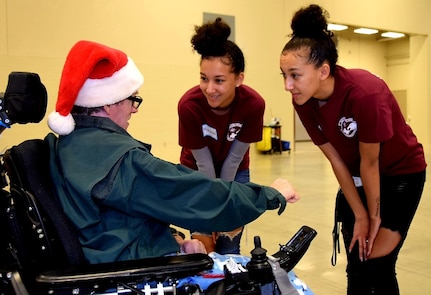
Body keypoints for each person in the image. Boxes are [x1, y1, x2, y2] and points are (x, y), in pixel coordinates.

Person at [45, 40, 299, 264]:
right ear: (110, 103)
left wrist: (173, 240)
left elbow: (122, 214)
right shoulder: (123, 161)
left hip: (110, 248)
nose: (135, 109)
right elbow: (193, 194)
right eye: (133, 99)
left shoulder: (69, 144)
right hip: (124, 263)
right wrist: (269, 194)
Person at [279, 5, 426, 295]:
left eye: (294, 75)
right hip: (359, 174)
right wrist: (358, 214)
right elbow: (336, 159)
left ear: (323, 70)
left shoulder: (365, 95)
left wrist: (372, 218)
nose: (287, 85)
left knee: (377, 263)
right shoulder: (302, 101)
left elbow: (370, 164)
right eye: (283, 74)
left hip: (400, 175)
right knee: (357, 264)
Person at [178, 18, 265, 255]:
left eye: (219, 80)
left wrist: (223, 209)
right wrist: (211, 210)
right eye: (204, 78)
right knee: (202, 250)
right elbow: (203, 163)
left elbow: (234, 160)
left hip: (235, 171)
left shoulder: (254, 105)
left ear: (239, 79)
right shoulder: (189, 105)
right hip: (196, 170)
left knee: (228, 247)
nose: (209, 89)